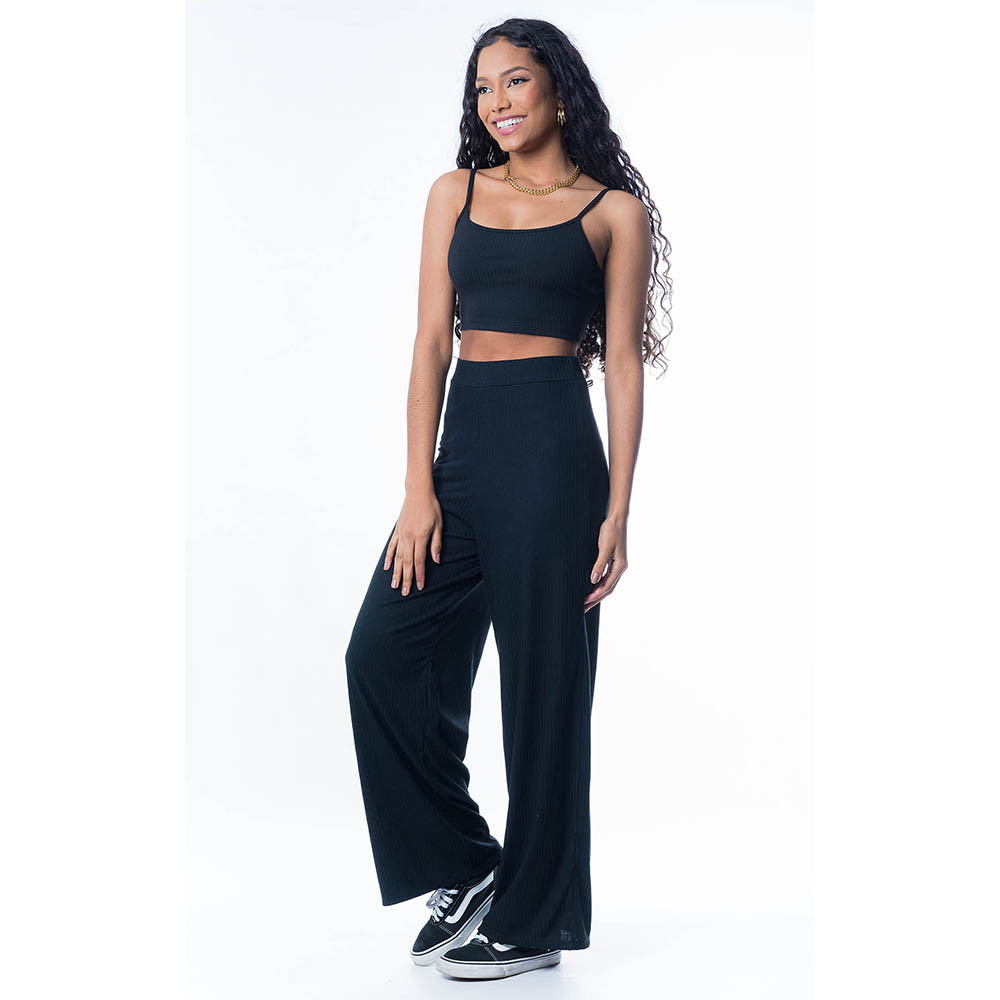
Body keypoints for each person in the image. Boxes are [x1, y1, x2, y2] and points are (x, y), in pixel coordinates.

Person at [345, 17, 672, 981]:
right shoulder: (454, 193)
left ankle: (534, 923)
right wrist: (419, 486)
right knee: (381, 655)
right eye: (483, 87)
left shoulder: (612, 212)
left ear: (559, 91)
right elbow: (428, 345)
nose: (497, 102)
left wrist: (618, 511)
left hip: (554, 451)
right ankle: (467, 866)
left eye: (516, 81)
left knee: (545, 692)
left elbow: (622, 368)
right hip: (463, 450)